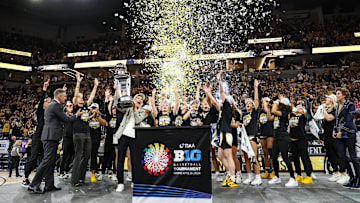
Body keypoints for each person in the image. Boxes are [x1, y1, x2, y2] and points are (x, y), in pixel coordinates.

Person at [28, 88, 81, 194]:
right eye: (65, 96)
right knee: (47, 161)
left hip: (50, 136)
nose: (66, 98)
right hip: (50, 137)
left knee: (50, 161)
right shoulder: (56, 105)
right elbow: (66, 119)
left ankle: (49, 184)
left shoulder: (52, 105)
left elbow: (61, 118)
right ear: (59, 96)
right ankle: (34, 184)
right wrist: (76, 116)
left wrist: (69, 114)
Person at [114, 92, 146, 192]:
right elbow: (118, 106)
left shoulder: (142, 111)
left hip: (134, 137)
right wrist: (117, 96)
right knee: (120, 159)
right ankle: (120, 183)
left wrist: (135, 109)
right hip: (123, 136)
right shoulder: (127, 109)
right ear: (134, 99)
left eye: (141, 99)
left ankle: (134, 181)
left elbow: (137, 120)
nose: (139, 99)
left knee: (134, 160)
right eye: (138, 98)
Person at [71, 73, 98, 186]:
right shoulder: (76, 108)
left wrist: (95, 86)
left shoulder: (86, 107)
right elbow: (76, 95)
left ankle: (81, 177)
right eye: (80, 98)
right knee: (78, 155)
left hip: (87, 133)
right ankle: (74, 180)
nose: (81, 99)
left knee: (87, 155)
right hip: (78, 133)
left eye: (82, 98)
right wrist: (78, 82)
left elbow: (91, 97)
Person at [22, 79, 51, 187]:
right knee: (33, 158)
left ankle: (42, 177)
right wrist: (44, 89)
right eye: (48, 102)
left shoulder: (51, 113)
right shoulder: (40, 111)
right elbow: (41, 100)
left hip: (46, 137)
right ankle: (25, 178)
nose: (49, 103)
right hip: (38, 137)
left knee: (44, 159)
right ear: (44, 104)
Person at [268, 95, 297, 187]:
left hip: (283, 136)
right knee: (274, 156)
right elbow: (269, 117)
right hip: (276, 136)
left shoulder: (284, 113)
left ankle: (293, 178)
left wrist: (276, 103)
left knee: (285, 156)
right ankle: (276, 176)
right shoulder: (278, 114)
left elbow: (273, 111)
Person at [333, 87, 360, 189]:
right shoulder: (337, 107)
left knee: (353, 156)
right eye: (336, 94)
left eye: (338, 93)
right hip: (340, 133)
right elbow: (337, 120)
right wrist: (334, 130)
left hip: (350, 133)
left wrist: (341, 130)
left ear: (344, 95)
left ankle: (358, 178)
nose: (337, 95)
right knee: (341, 156)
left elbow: (349, 119)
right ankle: (352, 177)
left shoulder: (350, 105)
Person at [217, 70, 237, 187]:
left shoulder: (227, 107)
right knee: (220, 156)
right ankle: (229, 174)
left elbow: (221, 93)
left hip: (226, 133)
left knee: (228, 157)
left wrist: (219, 80)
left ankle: (232, 177)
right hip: (223, 133)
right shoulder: (226, 110)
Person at [322, 94, 347, 182]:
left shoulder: (334, 109)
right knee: (330, 153)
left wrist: (323, 109)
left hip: (333, 133)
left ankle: (343, 172)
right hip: (326, 134)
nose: (326, 99)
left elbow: (329, 118)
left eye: (327, 98)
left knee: (336, 153)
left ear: (332, 100)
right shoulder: (328, 109)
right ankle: (336, 172)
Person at [242, 79, 261, 186]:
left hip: (252, 137)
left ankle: (258, 177)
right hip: (245, 138)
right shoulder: (243, 114)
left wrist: (255, 88)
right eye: (247, 103)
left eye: (250, 103)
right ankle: (249, 176)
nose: (248, 104)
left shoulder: (254, 113)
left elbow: (257, 100)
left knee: (253, 156)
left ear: (253, 105)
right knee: (246, 158)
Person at [101, 89, 124, 181]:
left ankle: (115, 172)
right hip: (109, 138)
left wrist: (116, 92)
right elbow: (107, 108)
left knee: (115, 156)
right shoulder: (109, 117)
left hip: (117, 138)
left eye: (115, 109)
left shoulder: (120, 117)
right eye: (113, 109)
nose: (114, 110)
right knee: (106, 155)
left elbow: (117, 103)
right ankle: (102, 172)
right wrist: (109, 99)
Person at [289, 105, 313, 184]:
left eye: (301, 108)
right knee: (295, 158)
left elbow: (307, 113)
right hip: (293, 139)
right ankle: (298, 174)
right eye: (298, 107)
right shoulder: (292, 116)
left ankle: (309, 175)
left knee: (304, 157)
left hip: (301, 140)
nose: (299, 108)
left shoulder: (303, 117)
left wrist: (307, 105)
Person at [88, 103, 106, 182]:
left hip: (96, 135)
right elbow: (84, 120)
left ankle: (94, 171)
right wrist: (92, 115)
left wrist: (97, 116)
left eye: (95, 108)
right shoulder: (87, 114)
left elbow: (103, 123)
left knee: (94, 153)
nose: (93, 109)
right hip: (88, 135)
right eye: (92, 108)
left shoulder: (101, 115)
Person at [259, 97, 275, 179]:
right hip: (263, 132)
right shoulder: (260, 111)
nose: (263, 104)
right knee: (265, 153)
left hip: (270, 132)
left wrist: (267, 108)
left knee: (270, 150)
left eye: (265, 102)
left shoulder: (273, 110)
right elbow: (259, 121)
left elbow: (269, 118)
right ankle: (267, 170)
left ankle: (274, 170)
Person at [59, 101, 74, 179]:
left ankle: (67, 169)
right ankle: (62, 171)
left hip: (74, 136)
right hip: (67, 136)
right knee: (65, 154)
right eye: (68, 106)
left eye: (71, 105)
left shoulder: (75, 115)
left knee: (71, 155)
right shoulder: (64, 115)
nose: (70, 107)